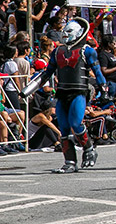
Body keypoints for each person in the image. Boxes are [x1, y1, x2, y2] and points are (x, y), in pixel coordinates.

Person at [20, 17, 108, 173]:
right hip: (62, 93)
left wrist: (104, 89)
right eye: (64, 32)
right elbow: (46, 74)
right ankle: (69, 161)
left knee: (76, 124)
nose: (65, 35)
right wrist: (28, 90)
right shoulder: (57, 52)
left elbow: (98, 72)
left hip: (78, 92)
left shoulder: (87, 51)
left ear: (79, 33)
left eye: (69, 32)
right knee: (64, 129)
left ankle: (88, 149)